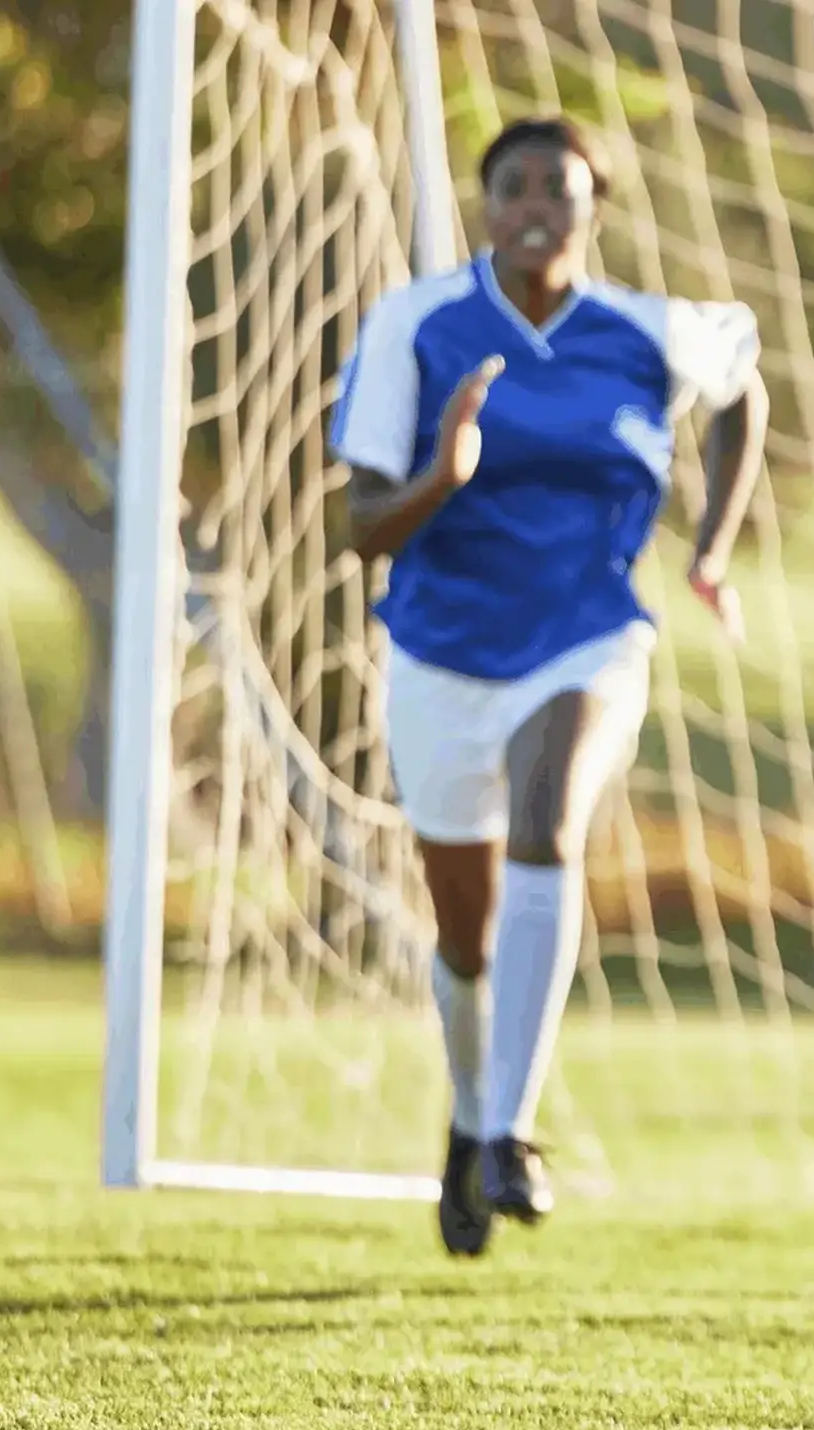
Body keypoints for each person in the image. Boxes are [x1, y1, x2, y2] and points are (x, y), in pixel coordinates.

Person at [329, 116, 769, 1258]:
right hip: (439, 654)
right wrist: (445, 474)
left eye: (559, 189)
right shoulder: (415, 325)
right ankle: (470, 1123)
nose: (536, 204)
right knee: (464, 936)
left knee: (549, 820)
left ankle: (512, 1133)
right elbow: (359, 522)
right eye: (514, 184)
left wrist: (710, 546)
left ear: (593, 208)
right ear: (486, 204)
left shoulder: (642, 331)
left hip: (589, 638)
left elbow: (742, 389)